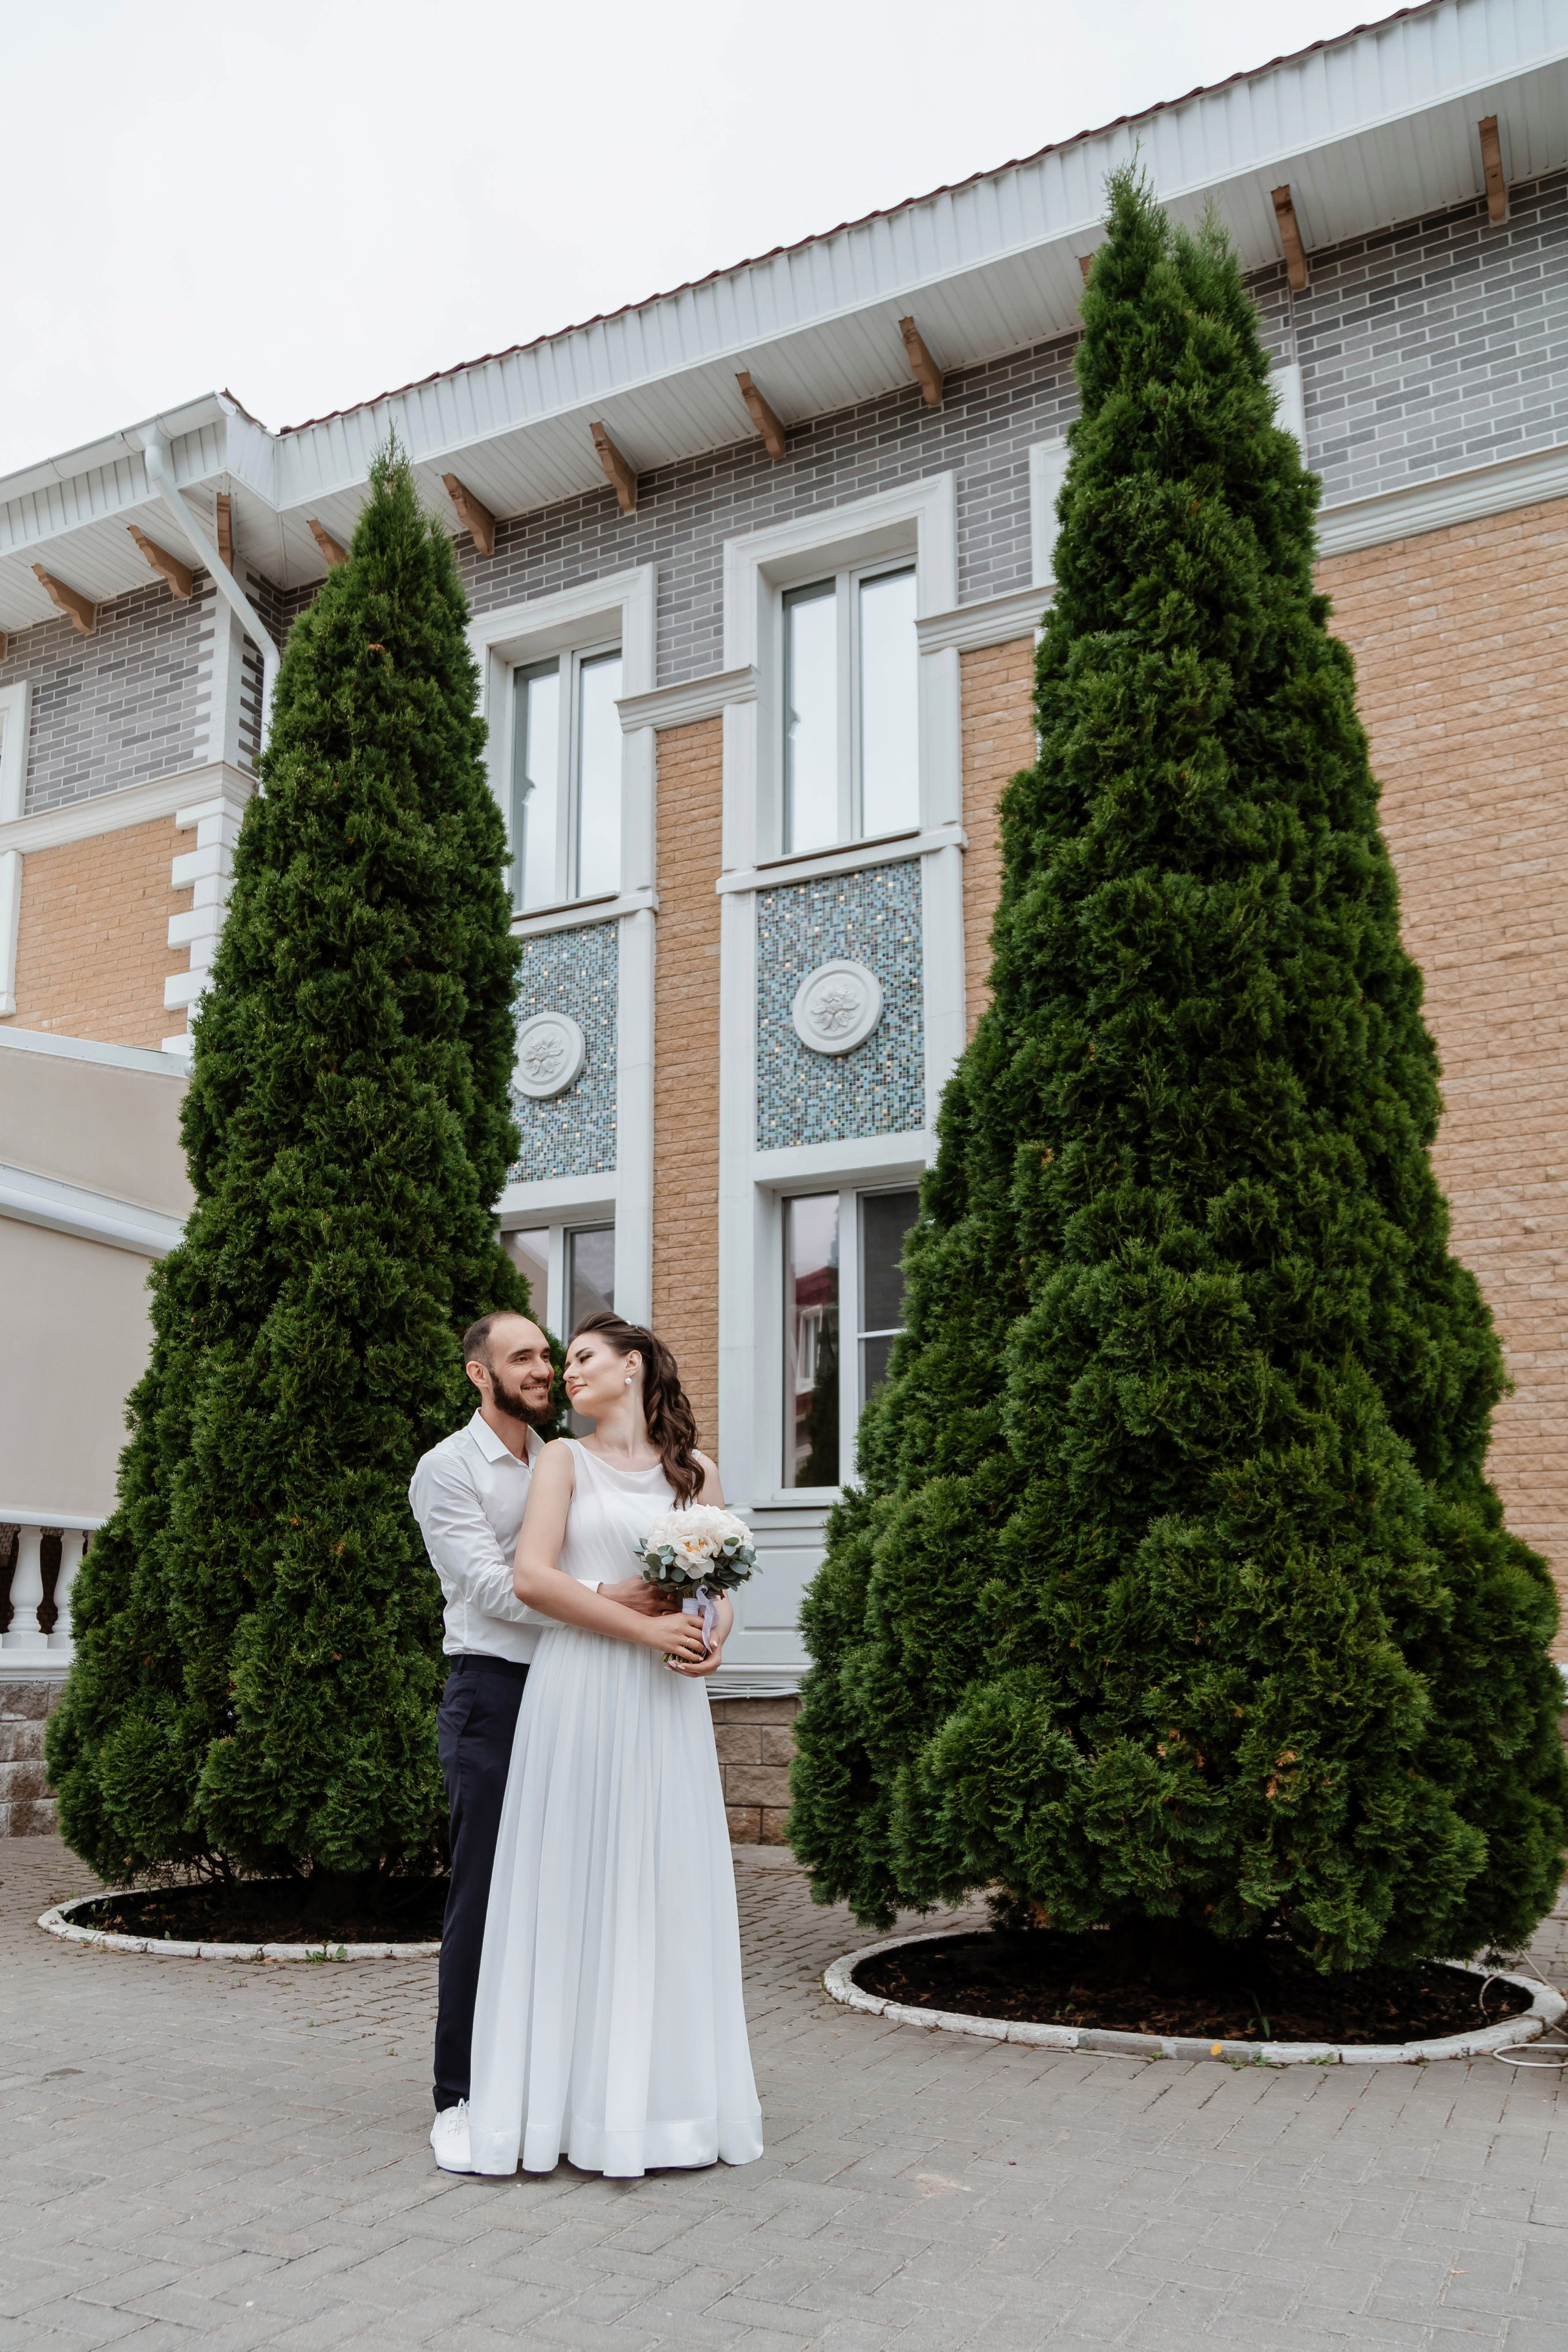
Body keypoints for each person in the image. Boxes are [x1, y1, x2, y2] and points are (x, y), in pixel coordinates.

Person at [461, 1312, 764, 2180]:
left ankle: (663, 2111)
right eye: (563, 1361)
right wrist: (644, 1631)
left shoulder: (697, 1473)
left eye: (585, 1358)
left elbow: (721, 1580)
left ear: (633, 1368)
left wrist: (714, 1637)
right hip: (583, 1690)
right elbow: (534, 1578)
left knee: (665, 1883)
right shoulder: (562, 1459)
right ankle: (561, 2106)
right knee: (575, 1878)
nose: (568, 1373)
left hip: (666, 1706)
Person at [408, 1310, 676, 2174]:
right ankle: (460, 2096)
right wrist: (605, 1599)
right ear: (479, 1375)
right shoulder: (447, 1470)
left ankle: (554, 2083)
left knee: (571, 1893)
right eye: (521, 1357)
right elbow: (490, 1586)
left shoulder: (571, 1456)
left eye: (547, 1354)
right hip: (496, 1690)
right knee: (486, 1896)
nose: (543, 1367)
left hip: (588, 1691)